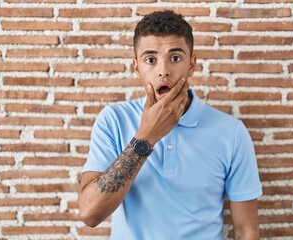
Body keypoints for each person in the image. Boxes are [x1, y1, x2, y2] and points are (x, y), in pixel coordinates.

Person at [78, 10, 262, 240]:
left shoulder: (232, 133)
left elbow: (246, 230)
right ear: (136, 68)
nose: (163, 70)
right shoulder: (113, 120)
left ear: (192, 64)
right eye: (150, 59)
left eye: (175, 58)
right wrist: (147, 136)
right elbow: (89, 213)